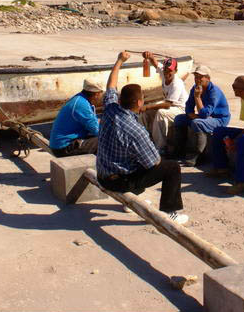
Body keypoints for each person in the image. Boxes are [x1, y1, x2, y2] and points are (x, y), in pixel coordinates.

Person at [96, 51, 188, 224]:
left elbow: (110, 86)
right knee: (172, 168)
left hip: (102, 174)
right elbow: (153, 163)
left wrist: (119, 61)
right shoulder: (136, 130)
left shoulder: (109, 108)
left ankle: (130, 201)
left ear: (120, 99)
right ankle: (170, 213)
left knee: (133, 155)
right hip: (119, 183)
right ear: (139, 103)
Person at [172, 65, 231, 166]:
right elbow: (189, 106)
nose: (197, 80)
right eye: (196, 77)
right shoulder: (195, 88)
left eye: (200, 77)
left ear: (208, 78)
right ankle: (179, 150)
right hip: (204, 117)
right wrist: (192, 114)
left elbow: (205, 114)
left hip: (219, 119)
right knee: (179, 119)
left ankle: (198, 155)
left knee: (197, 123)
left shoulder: (214, 92)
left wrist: (198, 97)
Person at [139, 52, 188, 153]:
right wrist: (149, 56)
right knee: (144, 113)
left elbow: (167, 105)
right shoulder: (164, 72)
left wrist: (148, 106)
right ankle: (145, 141)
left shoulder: (177, 83)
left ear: (175, 71)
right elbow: (155, 63)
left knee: (161, 112)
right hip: (170, 106)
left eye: (170, 71)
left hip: (181, 109)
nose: (166, 73)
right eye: (165, 70)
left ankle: (160, 147)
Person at [49, 78, 103, 157]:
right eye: (101, 93)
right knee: (106, 139)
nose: (101, 95)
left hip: (61, 144)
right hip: (63, 148)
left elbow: (93, 122)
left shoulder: (80, 99)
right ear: (96, 94)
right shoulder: (82, 105)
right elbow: (97, 131)